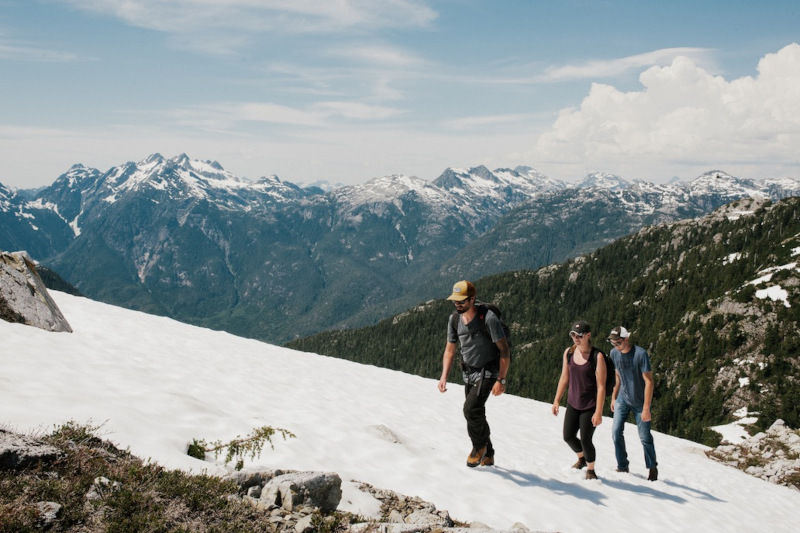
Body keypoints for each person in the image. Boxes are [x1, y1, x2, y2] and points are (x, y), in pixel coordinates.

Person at [438, 280, 510, 468]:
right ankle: (489, 453)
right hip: (469, 372)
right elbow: (450, 350)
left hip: (488, 370)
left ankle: (478, 447)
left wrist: (501, 379)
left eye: (461, 301)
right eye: (455, 301)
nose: (457, 304)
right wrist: (444, 376)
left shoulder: (488, 319)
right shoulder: (454, 320)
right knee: (476, 413)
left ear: (472, 298)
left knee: (470, 409)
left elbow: (504, 351)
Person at [552, 320, 607, 480]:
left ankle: (591, 469)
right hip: (573, 402)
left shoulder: (597, 356)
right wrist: (557, 400)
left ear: (588, 335)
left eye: (580, 335)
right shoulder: (569, 352)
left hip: (589, 405)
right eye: (573, 335)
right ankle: (582, 458)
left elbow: (601, 386)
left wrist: (598, 412)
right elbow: (564, 377)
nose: (576, 338)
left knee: (585, 439)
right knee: (568, 436)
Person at [608, 326, 659, 481]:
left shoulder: (640, 354)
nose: (616, 345)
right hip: (623, 398)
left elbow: (649, 382)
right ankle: (622, 465)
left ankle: (652, 468)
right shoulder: (613, 354)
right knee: (616, 432)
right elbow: (618, 376)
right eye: (613, 343)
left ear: (626, 339)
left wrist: (646, 408)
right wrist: (614, 397)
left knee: (644, 437)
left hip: (640, 401)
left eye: (618, 342)